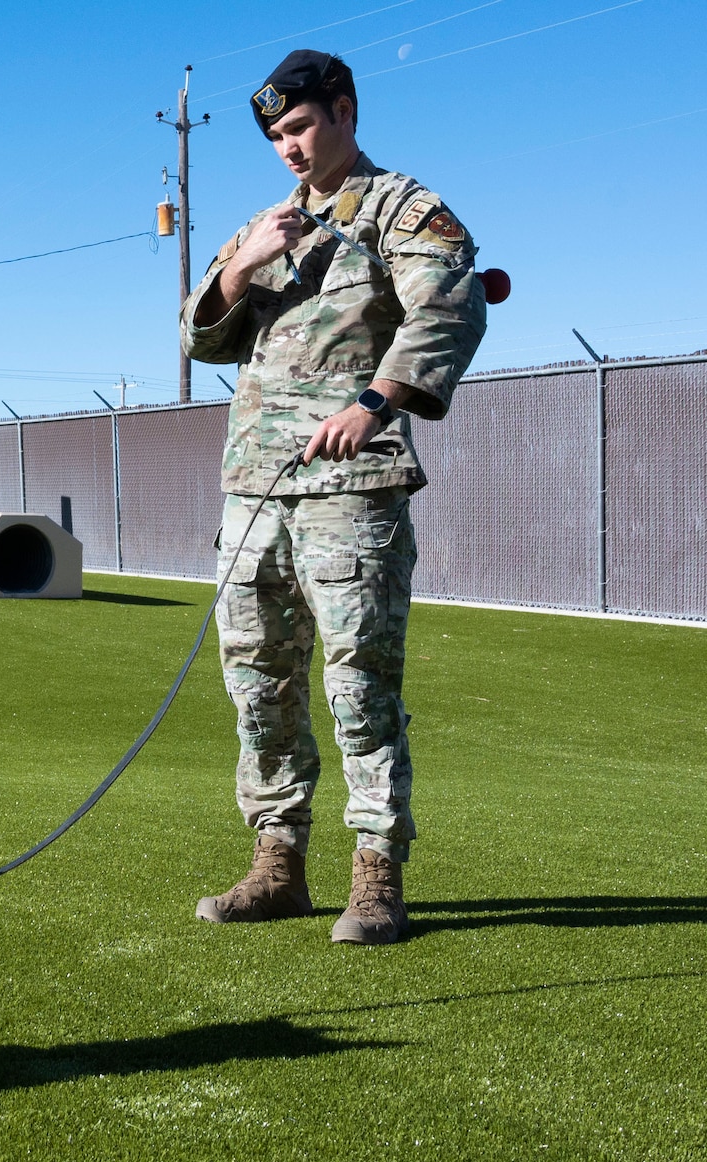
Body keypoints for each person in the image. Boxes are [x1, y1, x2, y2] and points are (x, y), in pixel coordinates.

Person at [181, 49, 488, 944]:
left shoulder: (400, 208)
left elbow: (450, 305)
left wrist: (375, 401)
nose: (289, 147)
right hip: (256, 486)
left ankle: (377, 873)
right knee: (258, 682)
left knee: (359, 681)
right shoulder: (266, 225)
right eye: (277, 135)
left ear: (344, 111)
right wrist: (244, 267)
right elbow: (201, 334)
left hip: (349, 489)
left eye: (302, 126)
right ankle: (277, 864)